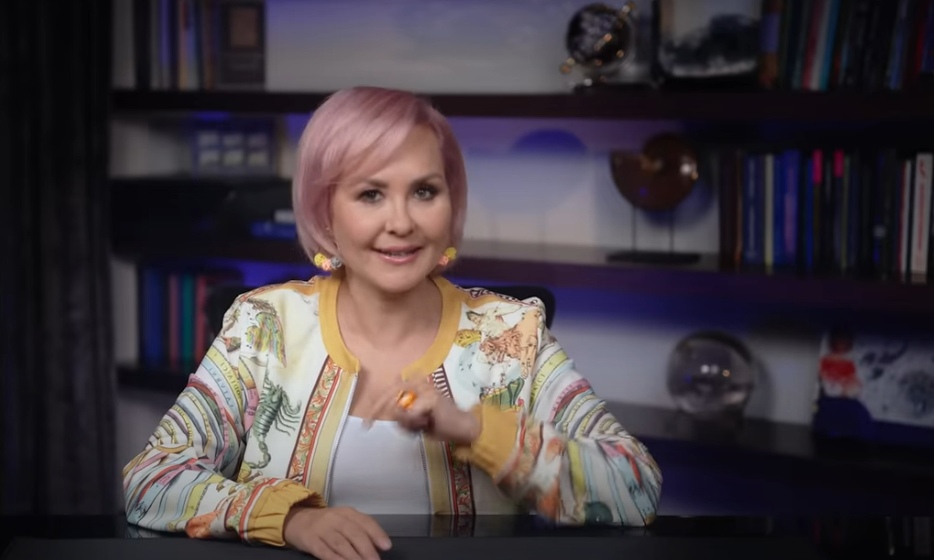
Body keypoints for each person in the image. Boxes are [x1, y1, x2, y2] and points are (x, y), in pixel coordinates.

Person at [122, 86, 663, 560]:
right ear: (325, 211)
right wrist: (289, 520)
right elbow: (150, 479)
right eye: (371, 194)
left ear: (451, 202)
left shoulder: (512, 333)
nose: (401, 222)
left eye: (424, 191)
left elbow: (635, 487)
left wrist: (474, 429)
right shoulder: (266, 326)